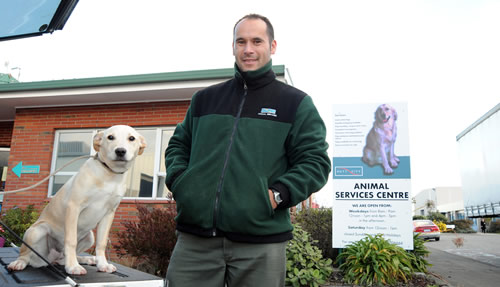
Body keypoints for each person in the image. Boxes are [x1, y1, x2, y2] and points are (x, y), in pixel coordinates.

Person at [164, 13, 331, 287]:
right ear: (233, 47)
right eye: (241, 42)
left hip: (260, 244)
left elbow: (315, 162)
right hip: (195, 242)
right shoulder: (205, 99)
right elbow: (178, 146)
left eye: (257, 41)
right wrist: (183, 184)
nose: (248, 49)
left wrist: (276, 195)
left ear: (272, 46)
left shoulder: (295, 103)